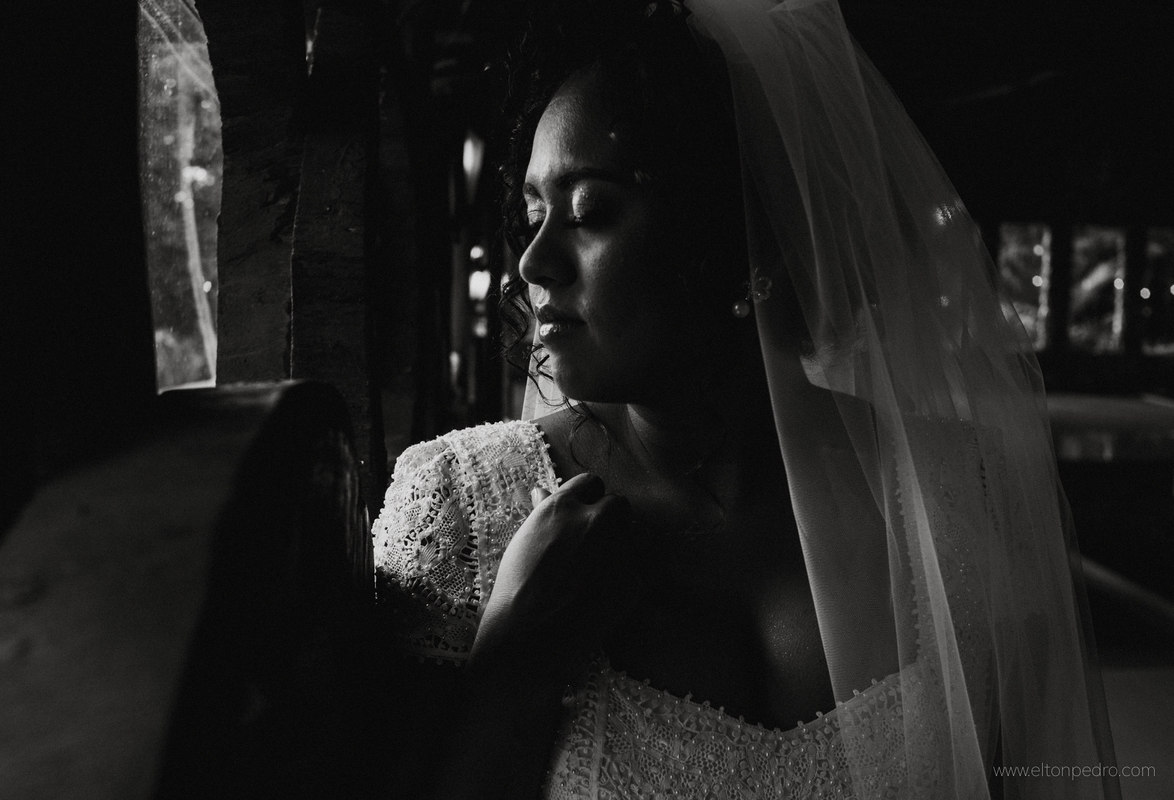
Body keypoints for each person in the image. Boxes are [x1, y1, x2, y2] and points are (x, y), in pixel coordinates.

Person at [372, 0, 1119, 797]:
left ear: (740, 241)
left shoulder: (963, 498)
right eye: (532, 213)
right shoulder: (464, 513)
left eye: (590, 211)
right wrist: (515, 656)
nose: (533, 261)